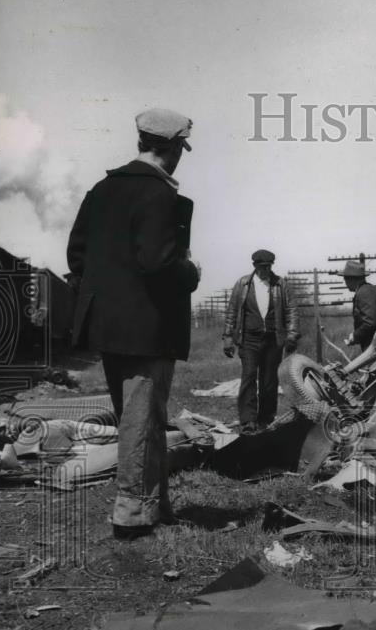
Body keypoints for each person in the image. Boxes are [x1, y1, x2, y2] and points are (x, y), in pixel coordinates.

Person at [66, 107, 200, 540]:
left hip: (108, 328)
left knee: (137, 419)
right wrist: (191, 272)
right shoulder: (158, 194)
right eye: (181, 148)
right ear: (172, 147)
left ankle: (154, 504)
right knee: (143, 420)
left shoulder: (101, 190)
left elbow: (77, 257)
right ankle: (132, 514)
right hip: (148, 329)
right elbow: (159, 263)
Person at [222, 250, 299, 433]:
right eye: (262, 267)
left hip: (273, 339)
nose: (266, 270)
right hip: (249, 339)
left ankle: (266, 420)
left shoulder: (281, 284)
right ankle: (248, 421)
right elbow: (232, 311)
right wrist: (227, 337)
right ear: (254, 266)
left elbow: (292, 310)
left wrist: (292, 335)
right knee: (248, 377)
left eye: (269, 266)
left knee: (269, 381)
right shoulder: (243, 284)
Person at [342, 259, 376, 351]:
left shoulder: (364, 293)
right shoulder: (367, 290)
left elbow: (370, 323)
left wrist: (355, 335)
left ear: (352, 279)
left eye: (346, 279)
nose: (345, 283)